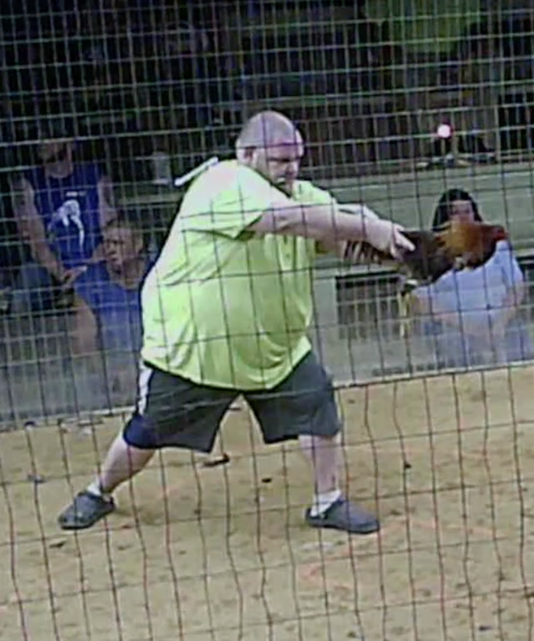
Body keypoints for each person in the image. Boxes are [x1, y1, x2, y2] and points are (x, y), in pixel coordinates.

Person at [57, 110, 414, 534]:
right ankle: (98, 491)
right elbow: (283, 220)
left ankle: (327, 501)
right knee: (148, 429)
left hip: (274, 349)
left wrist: (408, 253)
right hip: (199, 352)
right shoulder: (223, 182)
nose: (292, 168)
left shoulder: (302, 195)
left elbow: (337, 237)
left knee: (318, 405)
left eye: (297, 158)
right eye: (281, 160)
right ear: (246, 154)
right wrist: (370, 227)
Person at [411, 189, 530, 368]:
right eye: (455, 213)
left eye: (467, 211)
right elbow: (421, 300)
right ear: (444, 219)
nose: (463, 217)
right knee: (453, 340)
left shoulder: (498, 247)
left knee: (514, 334)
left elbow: (517, 287)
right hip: (453, 326)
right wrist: (467, 327)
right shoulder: (430, 253)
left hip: (498, 320)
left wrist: (500, 322)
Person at [9, 120, 117, 315]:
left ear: (70, 142)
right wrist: (64, 274)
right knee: (21, 299)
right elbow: (37, 243)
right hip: (49, 267)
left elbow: (110, 231)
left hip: (95, 261)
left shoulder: (95, 177)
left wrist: (85, 269)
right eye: (39, 137)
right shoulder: (29, 183)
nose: (42, 143)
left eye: (50, 137)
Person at [69, 217, 155, 398]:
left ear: (138, 244)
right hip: (113, 368)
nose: (110, 250)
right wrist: (107, 375)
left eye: (118, 243)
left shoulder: (158, 275)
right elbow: (84, 341)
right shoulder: (90, 282)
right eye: (107, 243)